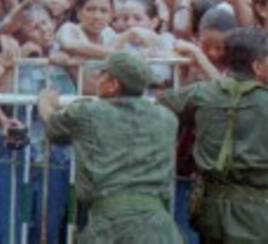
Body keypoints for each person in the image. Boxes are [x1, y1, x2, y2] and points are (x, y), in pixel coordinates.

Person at [37, 50, 183, 243]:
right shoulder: (167, 118)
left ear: (113, 85)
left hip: (111, 226)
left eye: (101, 75)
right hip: (159, 227)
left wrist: (45, 101)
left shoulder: (88, 113)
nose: (97, 80)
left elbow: (53, 125)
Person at [158, 27, 268, 243]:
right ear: (258, 66)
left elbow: (160, 107)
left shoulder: (203, 93)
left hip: (211, 213)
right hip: (265, 217)